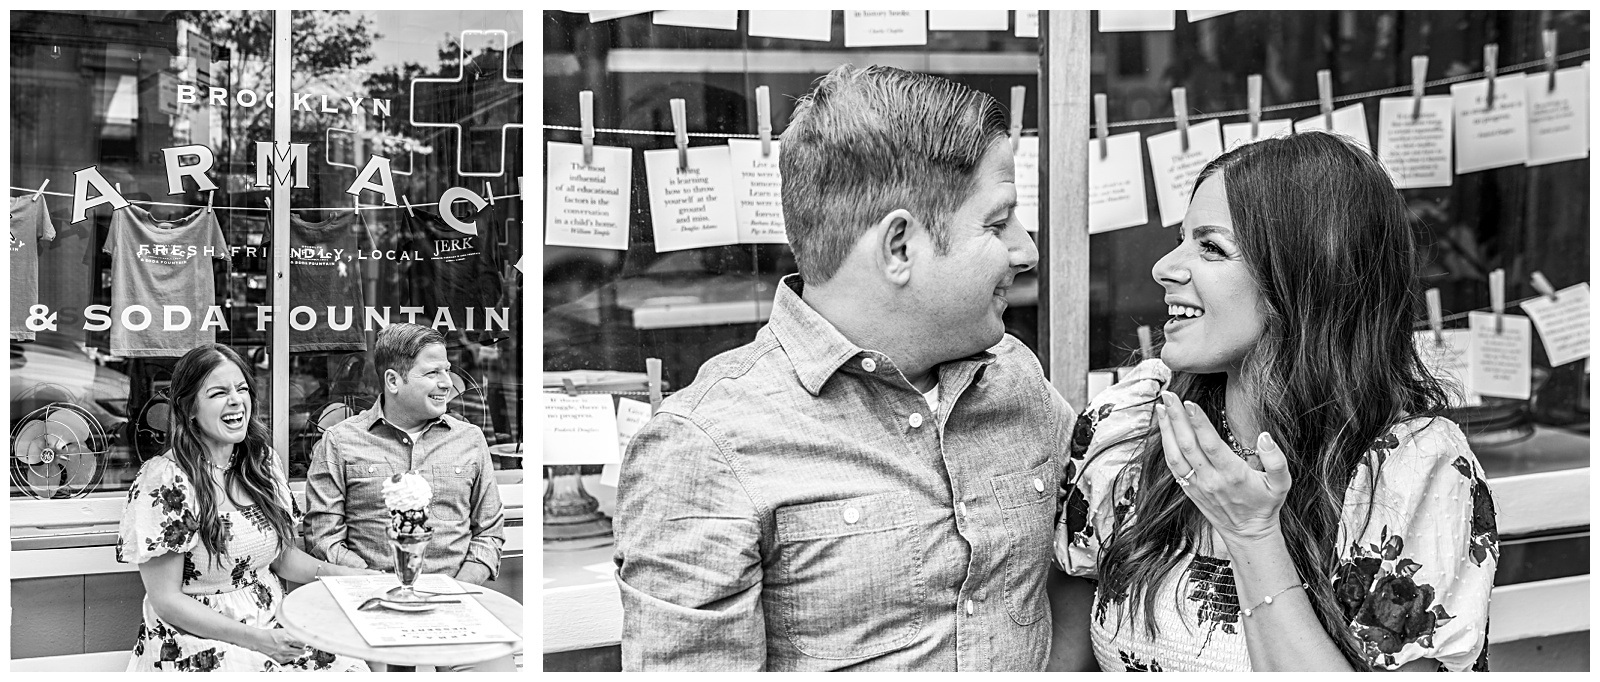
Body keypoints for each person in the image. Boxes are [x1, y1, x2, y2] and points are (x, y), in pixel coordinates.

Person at [614, 64, 1074, 671]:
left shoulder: (1017, 379)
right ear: (900, 246)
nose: (1026, 250)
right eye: (996, 223)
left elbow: (1078, 580)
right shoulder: (704, 446)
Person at [1053, 131, 1498, 672]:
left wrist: (1252, 535)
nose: (1164, 267)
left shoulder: (1411, 472)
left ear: (1305, 279)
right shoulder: (1130, 428)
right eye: (1182, 238)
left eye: (1211, 247)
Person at [117, 344, 375, 672]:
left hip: (274, 625)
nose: (237, 400)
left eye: (242, 389)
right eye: (219, 392)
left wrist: (351, 577)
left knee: (351, 664)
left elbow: (283, 558)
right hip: (197, 641)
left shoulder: (261, 463)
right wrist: (257, 640)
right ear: (189, 407)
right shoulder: (166, 479)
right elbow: (166, 601)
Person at [304, 322, 510, 671]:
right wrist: (379, 586)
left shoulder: (470, 440)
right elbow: (323, 538)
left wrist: (454, 591)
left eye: (447, 370)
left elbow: (489, 533)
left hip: (456, 608)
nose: (447, 383)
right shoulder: (340, 442)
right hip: (370, 609)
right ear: (393, 381)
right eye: (432, 373)